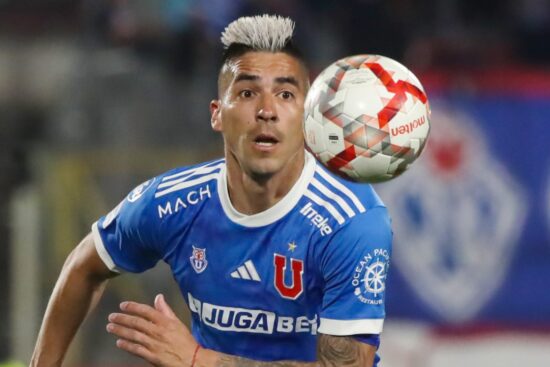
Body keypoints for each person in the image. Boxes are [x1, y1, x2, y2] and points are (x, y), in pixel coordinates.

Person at [30, 14, 392, 367]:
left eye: (285, 94)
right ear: (217, 114)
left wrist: (198, 360)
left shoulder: (352, 221)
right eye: (248, 92)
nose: (267, 111)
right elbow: (84, 265)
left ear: (308, 115)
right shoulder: (172, 203)